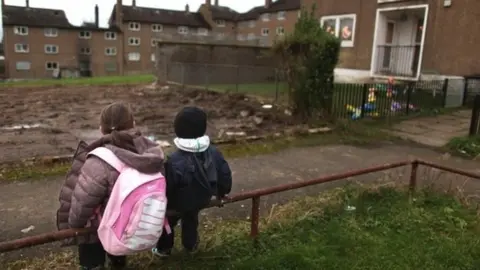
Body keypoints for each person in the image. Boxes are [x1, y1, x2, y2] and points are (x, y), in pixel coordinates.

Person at [56, 102, 165, 270]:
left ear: (101, 128)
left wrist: (75, 223)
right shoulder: (150, 153)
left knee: (90, 242)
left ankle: (94, 266)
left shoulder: (99, 160)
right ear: (133, 124)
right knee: (117, 241)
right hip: (128, 222)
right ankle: (118, 262)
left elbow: (84, 200)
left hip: (97, 226)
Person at [152, 106, 232, 257]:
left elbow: (167, 186)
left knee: (168, 222)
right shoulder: (214, 152)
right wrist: (222, 192)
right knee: (191, 220)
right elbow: (224, 174)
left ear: (177, 131)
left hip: (177, 203)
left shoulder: (174, 160)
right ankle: (191, 246)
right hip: (202, 198)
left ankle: (164, 249)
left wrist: (163, 202)